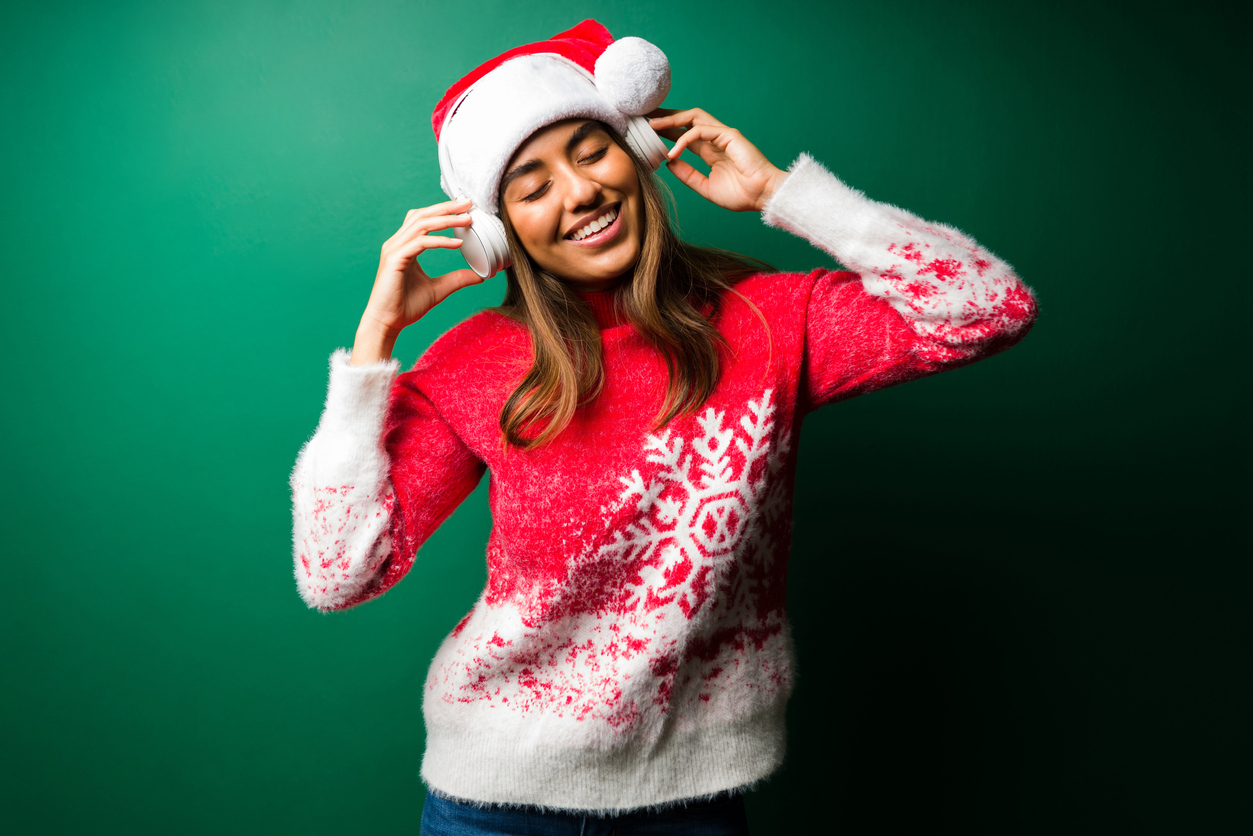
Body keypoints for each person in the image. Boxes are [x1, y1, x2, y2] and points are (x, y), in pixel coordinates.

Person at [290, 19, 1037, 836]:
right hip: (494, 802)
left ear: (639, 151)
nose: (578, 193)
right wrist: (373, 351)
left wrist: (782, 196)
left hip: (689, 803)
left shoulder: (770, 320)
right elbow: (337, 574)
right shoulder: (472, 364)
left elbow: (987, 307)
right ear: (497, 234)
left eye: (589, 152)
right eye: (531, 186)